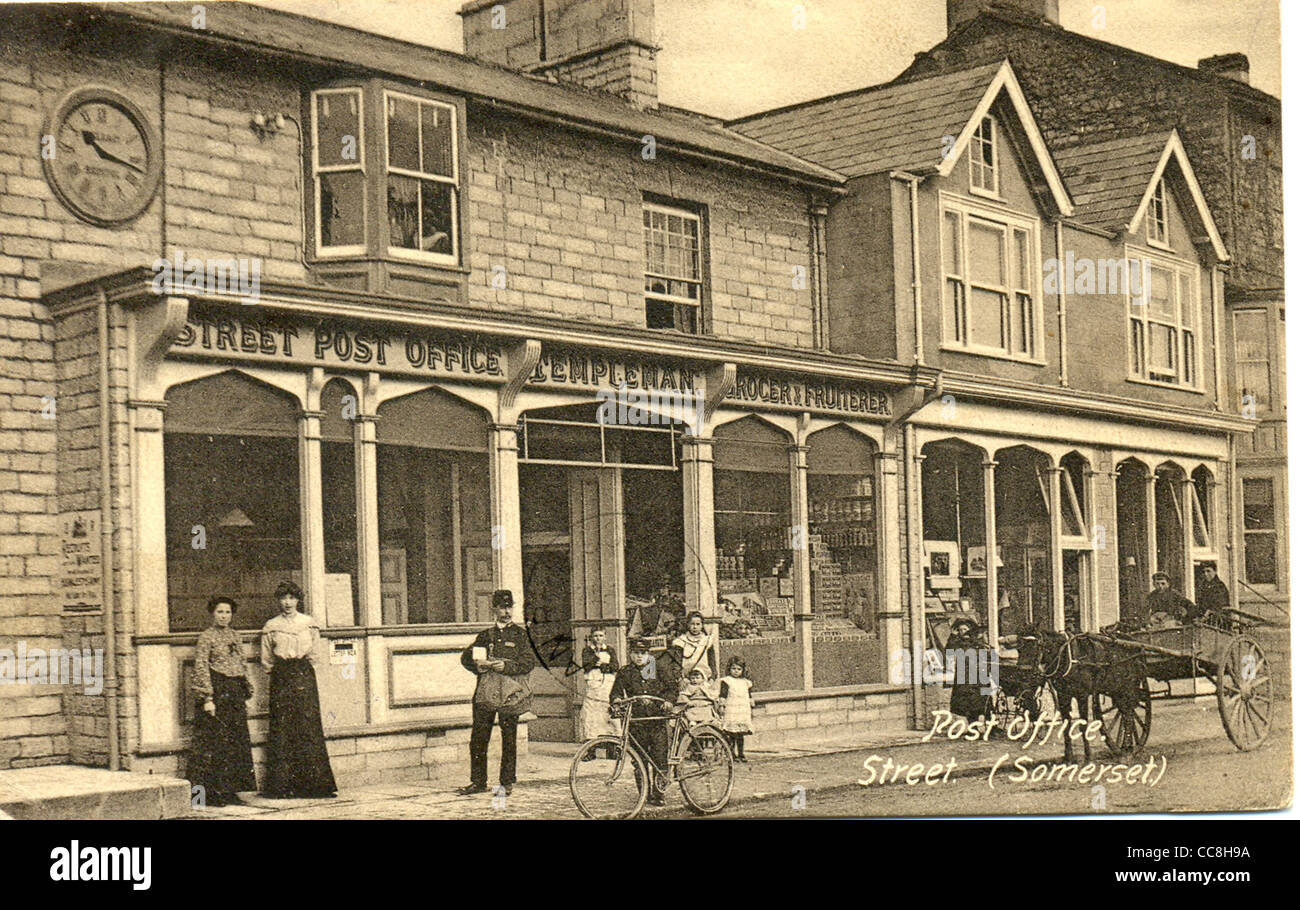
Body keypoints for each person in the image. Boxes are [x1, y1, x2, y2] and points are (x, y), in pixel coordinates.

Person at [260, 581, 337, 799]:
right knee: (283, 728)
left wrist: (303, 671)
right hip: (282, 676)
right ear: (278, 600)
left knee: (308, 726)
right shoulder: (271, 626)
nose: (287, 602)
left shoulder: (308, 623)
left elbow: (315, 655)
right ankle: (282, 787)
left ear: (298, 600)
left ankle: (316, 786)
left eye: (291, 598)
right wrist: (281, 672)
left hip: (304, 674)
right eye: (283, 598)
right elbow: (266, 660)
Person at [458, 590, 536, 796]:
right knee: (479, 738)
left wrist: (507, 667)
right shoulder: (485, 636)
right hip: (486, 694)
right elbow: (466, 658)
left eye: (510, 607)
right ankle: (478, 782)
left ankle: (506, 782)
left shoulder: (521, 635)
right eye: (502, 607)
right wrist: (478, 667)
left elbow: (529, 662)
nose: (507, 611)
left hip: (511, 694)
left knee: (509, 739)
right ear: (494, 609)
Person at [188, 595, 256, 807]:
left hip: (234, 692)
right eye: (220, 612)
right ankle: (210, 794)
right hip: (217, 692)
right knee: (215, 742)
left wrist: (246, 690)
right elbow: (200, 666)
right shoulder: (206, 637)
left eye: (227, 612)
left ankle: (231, 791)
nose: (224, 616)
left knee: (235, 742)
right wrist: (207, 698)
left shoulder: (235, 635)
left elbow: (242, 663)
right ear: (212, 613)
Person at [610, 636, 680, 805]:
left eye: (643, 653)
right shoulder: (625, 672)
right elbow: (616, 693)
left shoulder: (660, 669)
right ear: (630, 654)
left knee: (659, 757)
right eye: (635, 653)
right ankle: (644, 794)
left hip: (656, 721)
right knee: (639, 760)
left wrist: (668, 701)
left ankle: (659, 794)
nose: (639, 656)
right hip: (637, 722)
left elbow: (672, 688)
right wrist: (617, 701)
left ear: (649, 654)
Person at [578, 628, 620, 741]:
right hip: (593, 686)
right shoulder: (587, 650)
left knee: (607, 713)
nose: (598, 638)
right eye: (595, 636)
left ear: (605, 637)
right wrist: (602, 664)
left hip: (607, 686)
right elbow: (587, 665)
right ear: (591, 637)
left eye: (601, 635)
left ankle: (611, 744)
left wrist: (601, 665)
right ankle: (591, 746)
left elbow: (615, 666)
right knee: (591, 715)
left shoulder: (610, 650)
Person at [718, 656, 755, 761]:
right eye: (733, 669)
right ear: (729, 669)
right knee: (731, 733)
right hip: (731, 709)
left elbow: (749, 695)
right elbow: (723, 695)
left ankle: (741, 753)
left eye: (739, 669)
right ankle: (731, 754)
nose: (736, 671)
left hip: (742, 709)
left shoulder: (746, 682)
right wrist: (722, 706)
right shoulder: (727, 681)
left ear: (743, 670)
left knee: (740, 734)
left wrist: (751, 706)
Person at [672, 611, 716, 680]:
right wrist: (679, 679)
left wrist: (712, 678)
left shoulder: (707, 641)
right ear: (688, 625)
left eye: (698, 624)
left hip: (705, 678)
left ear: (702, 625)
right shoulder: (681, 641)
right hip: (687, 679)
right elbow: (677, 663)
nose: (695, 627)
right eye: (692, 624)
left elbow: (712, 662)